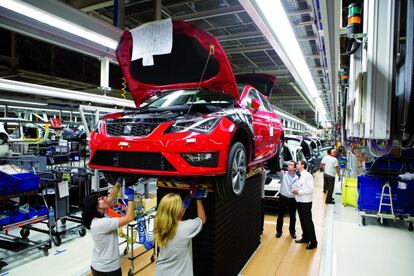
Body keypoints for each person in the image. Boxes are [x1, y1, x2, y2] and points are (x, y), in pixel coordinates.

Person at [82, 177, 136, 276]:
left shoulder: (98, 215)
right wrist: (131, 198)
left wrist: (118, 183)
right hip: (108, 269)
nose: (105, 198)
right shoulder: (102, 223)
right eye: (101, 198)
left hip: (98, 265)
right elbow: (130, 217)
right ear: (96, 206)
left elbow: (110, 197)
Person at [154, 188, 206, 276]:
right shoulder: (185, 228)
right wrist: (198, 199)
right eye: (180, 205)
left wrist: (187, 199)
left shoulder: (159, 224)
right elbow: (202, 219)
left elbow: (175, 217)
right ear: (176, 210)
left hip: (161, 272)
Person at [291, 160, 318, 250]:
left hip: (305, 202)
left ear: (302, 165)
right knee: (302, 221)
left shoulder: (308, 176)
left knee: (308, 222)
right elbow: (300, 187)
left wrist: (299, 192)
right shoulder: (300, 176)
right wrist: (295, 190)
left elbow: (310, 189)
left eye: (298, 163)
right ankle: (305, 238)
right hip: (299, 201)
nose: (296, 165)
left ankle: (313, 242)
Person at [275, 160, 298, 239]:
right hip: (283, 197)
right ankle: (279, 231)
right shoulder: (283, 174)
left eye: (291, 165)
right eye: (288, 164)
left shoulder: (297, 177)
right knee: (280, 215)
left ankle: (292, 232)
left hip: (292, 199)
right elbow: (276, 168)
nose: (289, 166)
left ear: (295, 168)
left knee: (293, 217)